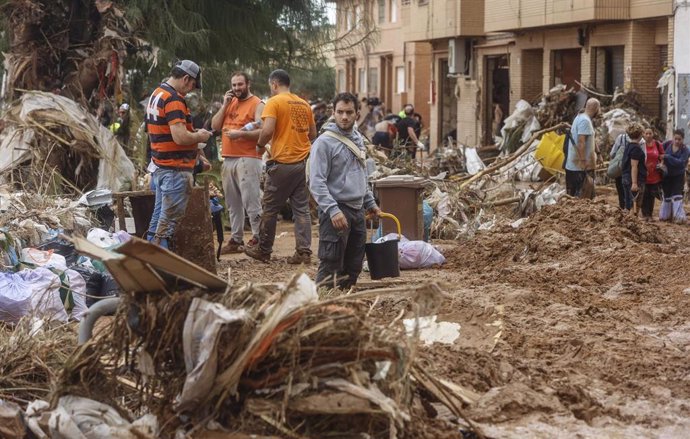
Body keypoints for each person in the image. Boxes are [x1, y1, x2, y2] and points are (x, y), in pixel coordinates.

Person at [309, 92, 381, 289]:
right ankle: (321, 306)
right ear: (333, 112)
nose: (344, 117)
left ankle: (344, 307)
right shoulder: (324, 142)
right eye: (340, 112)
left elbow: (361, 175)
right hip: (337, 212)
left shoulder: (357, 138)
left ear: (357, 113)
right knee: (330, 264)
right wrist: (332, 210)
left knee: (353, 266)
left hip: (357, 212)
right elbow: (316, 182)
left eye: (349, 112)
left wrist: (370, 203)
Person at [245, 69, 316, 263]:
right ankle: (303, 252)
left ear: (274, 84)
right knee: (301, 209)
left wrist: (260, 145)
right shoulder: (304, 104)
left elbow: (267, 130)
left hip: (281, 164)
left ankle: (264, 249)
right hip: (302, 164)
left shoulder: (274, 102)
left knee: (270, 208)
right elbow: (312, 135)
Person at [145, 60, 212, 250]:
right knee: (165, 229)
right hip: (174, 170)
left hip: (161, 167)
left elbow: (163, 131)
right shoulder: (174, 99)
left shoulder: (157, 94)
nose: (190, 90)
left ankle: (150, 264)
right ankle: (162, 270)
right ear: (185, 78)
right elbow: (180, 137)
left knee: (157, 225)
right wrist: (200, 135)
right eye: (192, 85)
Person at [211, 72, 264, 254]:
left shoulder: (257, 103)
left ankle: (259, 238)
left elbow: (264, 130)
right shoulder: (230, 102)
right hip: (228, 157)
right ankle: (236, 239)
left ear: (248, 84)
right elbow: (215, 126)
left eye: (240, 84)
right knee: (233, 203)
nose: (236, 88)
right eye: (234, 85)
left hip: (248, 157)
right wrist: (225, 104)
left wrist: (241, 134)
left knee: (251, 199)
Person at [565, 98, 600, 198]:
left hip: (576, 166)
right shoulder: (585, 121)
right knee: (583, 198)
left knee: (574, 198)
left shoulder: (581, 117)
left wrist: (599, 153)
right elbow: (581, 142)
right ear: (596, 108)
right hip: (580, 168)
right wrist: (583, 161)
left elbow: (591, 138)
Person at [659, 129, 689, 223]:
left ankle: (679, 217)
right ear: (672, 138)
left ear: (683, 139)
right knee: (666, 195)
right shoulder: (666, 144)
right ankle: (665, 216)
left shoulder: (685, 149)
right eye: (675, 139)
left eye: (679, 139)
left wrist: (667, 157)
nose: (677, 141)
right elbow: (659, 154)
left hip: (678, 175)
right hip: (666, 175)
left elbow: (681, 163)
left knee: (677, 195)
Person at [620, 123, 646, 212]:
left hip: (626, 177)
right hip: (634, 180)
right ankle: (632, 222)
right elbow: (634, 166)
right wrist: (634, 183)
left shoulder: (628, 146)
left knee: (628, 204)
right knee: (634, 206)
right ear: (640, 134)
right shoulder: (636, 149)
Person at [641, 127, 664, 219]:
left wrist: (661, 164)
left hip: (655, 175)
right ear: (643, 134)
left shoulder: (657, 144)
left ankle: (649, 215)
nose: (648, 135)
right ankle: (644, 214)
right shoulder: (641, 144)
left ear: (653, 134)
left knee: (652, 195)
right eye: (646, 133)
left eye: (650, 133)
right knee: (644, 195)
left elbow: (662, 156)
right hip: (644, 175)